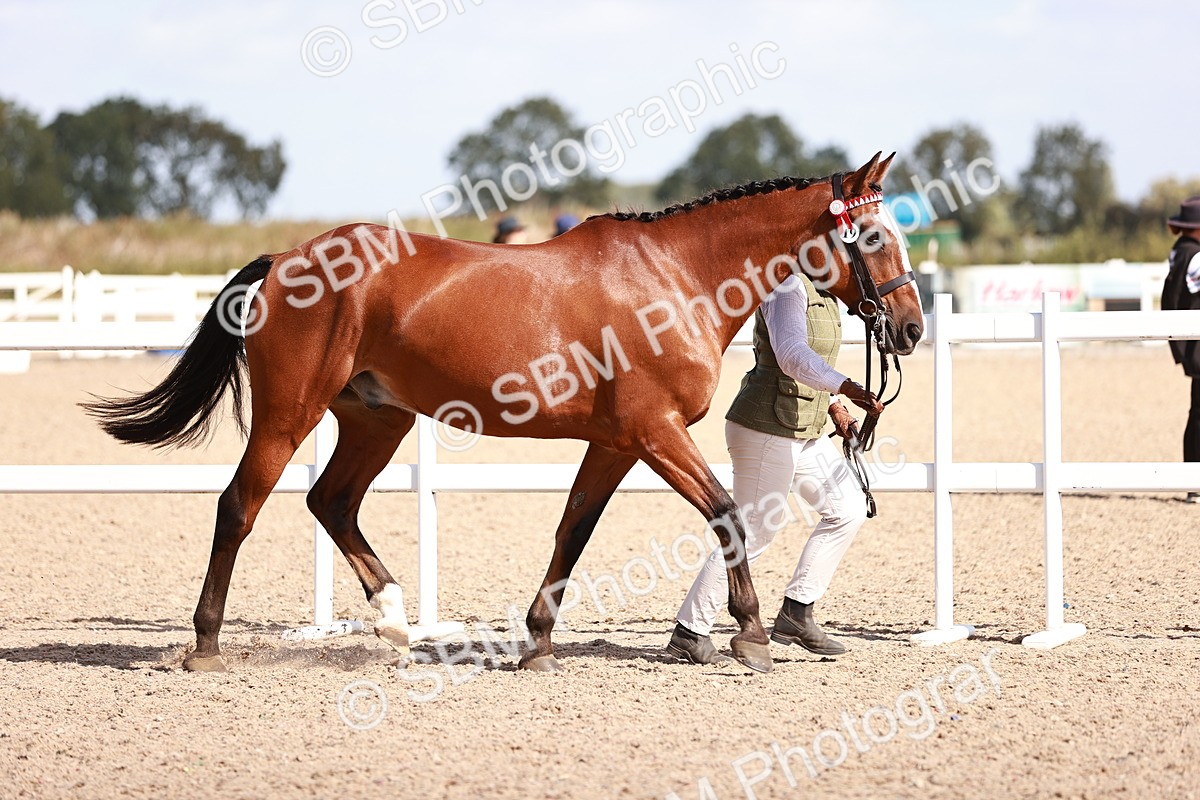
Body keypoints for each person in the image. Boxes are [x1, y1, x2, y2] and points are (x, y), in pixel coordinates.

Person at [667, 270, 884, 665]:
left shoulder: (826, 293)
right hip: (765, 426)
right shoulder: (785, 284)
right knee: (753, 532)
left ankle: (797, 613)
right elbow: (790, 353)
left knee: (847, 509)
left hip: (807, 427)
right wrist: (847, 388)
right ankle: (690, 631)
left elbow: (815, 362)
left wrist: (836, 408)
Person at [1163, 196, 1200, 503]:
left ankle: (1193, 481)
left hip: (1190, 346)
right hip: (1199, 345)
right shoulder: (1196, 256)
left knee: (1197, 411)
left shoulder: (1179, 252)